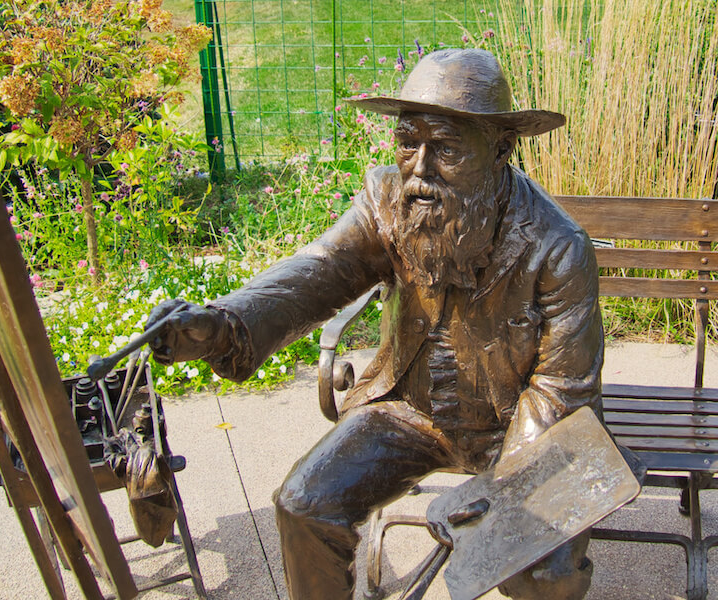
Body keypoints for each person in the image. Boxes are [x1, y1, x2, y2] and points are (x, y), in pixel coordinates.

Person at [148, 48, 602, 599]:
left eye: (447, 149)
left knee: (537, 567)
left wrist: (507, 495)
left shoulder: (559, 246)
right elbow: (318, 271)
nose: (419, 168)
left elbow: (560, 388)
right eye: (409, 142)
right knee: (303, 503)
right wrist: (225, 326)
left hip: (518, 429)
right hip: (411, 412)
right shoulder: (387, 201)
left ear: (501, 148)